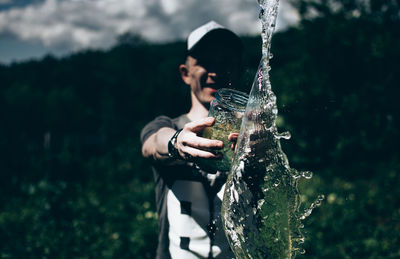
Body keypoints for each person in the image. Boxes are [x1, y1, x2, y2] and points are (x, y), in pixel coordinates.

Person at [140, 21, 244, 259]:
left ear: (238, 70)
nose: (216, 71)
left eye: (226, 62)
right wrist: (176, 143)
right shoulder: (166, 125)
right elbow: (153, 145)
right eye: (205, 62)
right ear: (185, 73)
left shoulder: (252, 136)